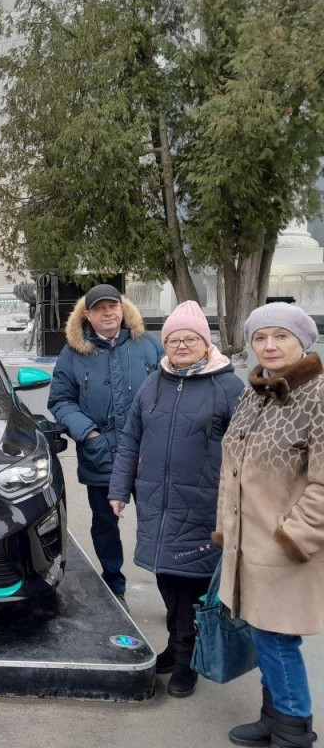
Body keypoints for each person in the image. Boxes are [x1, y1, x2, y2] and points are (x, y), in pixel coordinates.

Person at [109, 301, 243, 697]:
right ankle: (176, 644)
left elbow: (246, 449)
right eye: (173, 339)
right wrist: (119, 489)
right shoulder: (154, 383)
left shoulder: (229, 387)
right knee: (167, 578)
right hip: (157, 502)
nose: (181, 345)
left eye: (190, 339)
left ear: (206, 343)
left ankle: (187, 659)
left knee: (193, 584)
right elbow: (131, 438)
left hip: (205, 505)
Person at [215, 303, 323, 748]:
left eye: (280, 336)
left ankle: (293, 731)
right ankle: (273, 715)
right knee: (263, 633)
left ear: (303, 341)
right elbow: (234, 469)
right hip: (246, 543)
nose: (270, 345)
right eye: (261, 337)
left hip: (283, 548)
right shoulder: (255, 391)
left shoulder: (316, 396)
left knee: (277, 640)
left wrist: (292, 536)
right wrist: (226, 528)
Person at [48, 283, 163, 607]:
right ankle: (115, 586)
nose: (108, 313)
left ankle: (172, 589)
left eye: (113, 306)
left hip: (148, 455)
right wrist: (90, 434)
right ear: (88, 314)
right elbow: (60, 400)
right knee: (105, 525)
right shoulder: (74, 353)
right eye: (100, 308)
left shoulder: (147, 345)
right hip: (101, 455)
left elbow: (172, 387)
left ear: (122, 308)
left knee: (157, 523)